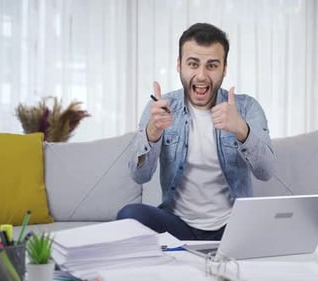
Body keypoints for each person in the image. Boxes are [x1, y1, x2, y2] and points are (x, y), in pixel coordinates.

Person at [117, 22, 275, 240]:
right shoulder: (161, 107)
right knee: (129, 215)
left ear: (224, 68)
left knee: (272, 230)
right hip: (177, 225)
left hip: (233, 227)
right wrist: (153, 132)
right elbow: (139, 176)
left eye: (211, 65)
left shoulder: (247, 108)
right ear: (179, 65)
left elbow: (266, 172)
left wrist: (241, 130)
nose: (201, 76)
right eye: (193, 64)